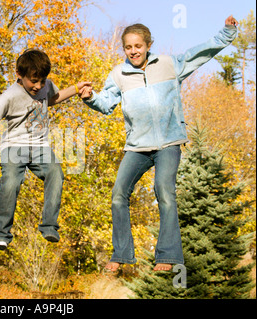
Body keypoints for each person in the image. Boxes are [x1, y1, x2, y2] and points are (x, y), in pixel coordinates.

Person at [80, 16, 238, 271]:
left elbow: (201, 53)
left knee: (164, 191)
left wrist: (227, 33)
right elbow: (106, 103)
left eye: (138, 46)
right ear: (125, 49)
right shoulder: (118, 74)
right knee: (118, 194)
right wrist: (90, 97)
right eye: (129, 47)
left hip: (168, 143)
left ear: (148, 45)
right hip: (137, 147)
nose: (134, 51)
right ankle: (121, 255)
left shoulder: (167, 64)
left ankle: (168, 256)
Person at [0, 49, 91, 250]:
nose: (38, 86)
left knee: (56, 172)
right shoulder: (9, 96)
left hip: (40, 146)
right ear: (19, 74)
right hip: (13, 147)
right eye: (33, 81)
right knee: (11, 182)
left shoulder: (45, 87)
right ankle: (1, 234)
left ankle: (49, 226)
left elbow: (52, 98)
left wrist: (76, 88)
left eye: (42, 81)